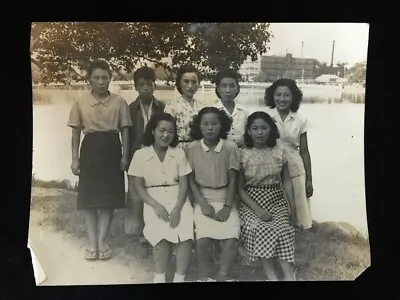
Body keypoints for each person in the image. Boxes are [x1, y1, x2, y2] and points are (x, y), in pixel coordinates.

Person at [67, 59, 132, 261]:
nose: (101, 81)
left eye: (105, 77)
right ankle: (91, 242)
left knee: (107, 200)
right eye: (96, 77)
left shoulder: (120, 102)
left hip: (112, 149)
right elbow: (76, 134)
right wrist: (75, 159)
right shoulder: (80, 102)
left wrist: (125, 155)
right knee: (89, 200)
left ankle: (102, 241)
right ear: (89, 79)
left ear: (110, 79)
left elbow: (125, 131)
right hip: (90, 150)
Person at [128, 113, 194, 283]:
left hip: (177, 196)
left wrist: (179, 208)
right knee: (160, 233)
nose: (166, 135)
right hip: (152, 197)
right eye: (161, 130)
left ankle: (180, 277)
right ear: (153, 131)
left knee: (185, 233)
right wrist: (154, 205)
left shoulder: (178, 154)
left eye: (170, 131)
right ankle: (160, 276)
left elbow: (184, 184)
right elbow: (138, 186)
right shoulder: (141, 154)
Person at [238, 111, 297, 281]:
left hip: (276, 198)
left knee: (283, 229)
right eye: (255, 128)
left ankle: (289, 274)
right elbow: (240, 189)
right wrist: (257, 210)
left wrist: (292, 208)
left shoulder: (280, 150)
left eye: (264, 128)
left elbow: (286, 181)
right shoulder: (242, 153)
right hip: (251, 200)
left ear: (271, 129)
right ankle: (272, 275)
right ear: (248, 131)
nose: (259, 132)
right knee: (259, 228)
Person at [186, 107, 240, 282]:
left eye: (214, 124)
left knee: (231, 238)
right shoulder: (192, 148)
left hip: (226, 198)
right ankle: (203, 276)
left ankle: (223, 276)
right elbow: (191, 181)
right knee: (202, 239)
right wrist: (202, 204)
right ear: (199, 127)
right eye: (206, 124)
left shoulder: (230, 147)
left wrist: (227, 207)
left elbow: (233, 180)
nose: (210, 128)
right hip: (203, 198)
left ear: (221, 125)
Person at [126, 67, 165, 257]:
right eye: (142, 85)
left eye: (150, 84)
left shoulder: (161, 107)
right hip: (135, 156)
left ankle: (153, 232)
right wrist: (125, 156)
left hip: (156, 155)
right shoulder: (130, 108)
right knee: (135, 196)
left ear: (154, 85)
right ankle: (136, 233)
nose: (146, 88)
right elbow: (125, 135)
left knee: (153, 194)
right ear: (135, 87)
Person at [265, 78, 314, 229]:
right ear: (272, 96)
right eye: (278, 94)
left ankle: (300, 234)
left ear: (294, 97)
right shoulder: (266, 117)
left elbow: (304, 151)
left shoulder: (301, 119)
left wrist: (309, 180)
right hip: (271, 166)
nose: (282, 99)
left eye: (286, 95)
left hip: (295, 166)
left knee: (299, 206)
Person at [164, 65, 205, 150]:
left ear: (198, 83)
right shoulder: (172, 106)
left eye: (194, 82)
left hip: (199, 149)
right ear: (179, 83)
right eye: (186, 81)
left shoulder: (202, 107)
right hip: (178, 149)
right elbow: (166, 131)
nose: (190, 86)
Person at [212, 69, 249, 148]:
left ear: (237, 88)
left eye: (232, 86)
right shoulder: (212, 111)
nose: (228, 90)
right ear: (218, 88)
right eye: (224, 86)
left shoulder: (244, 112)